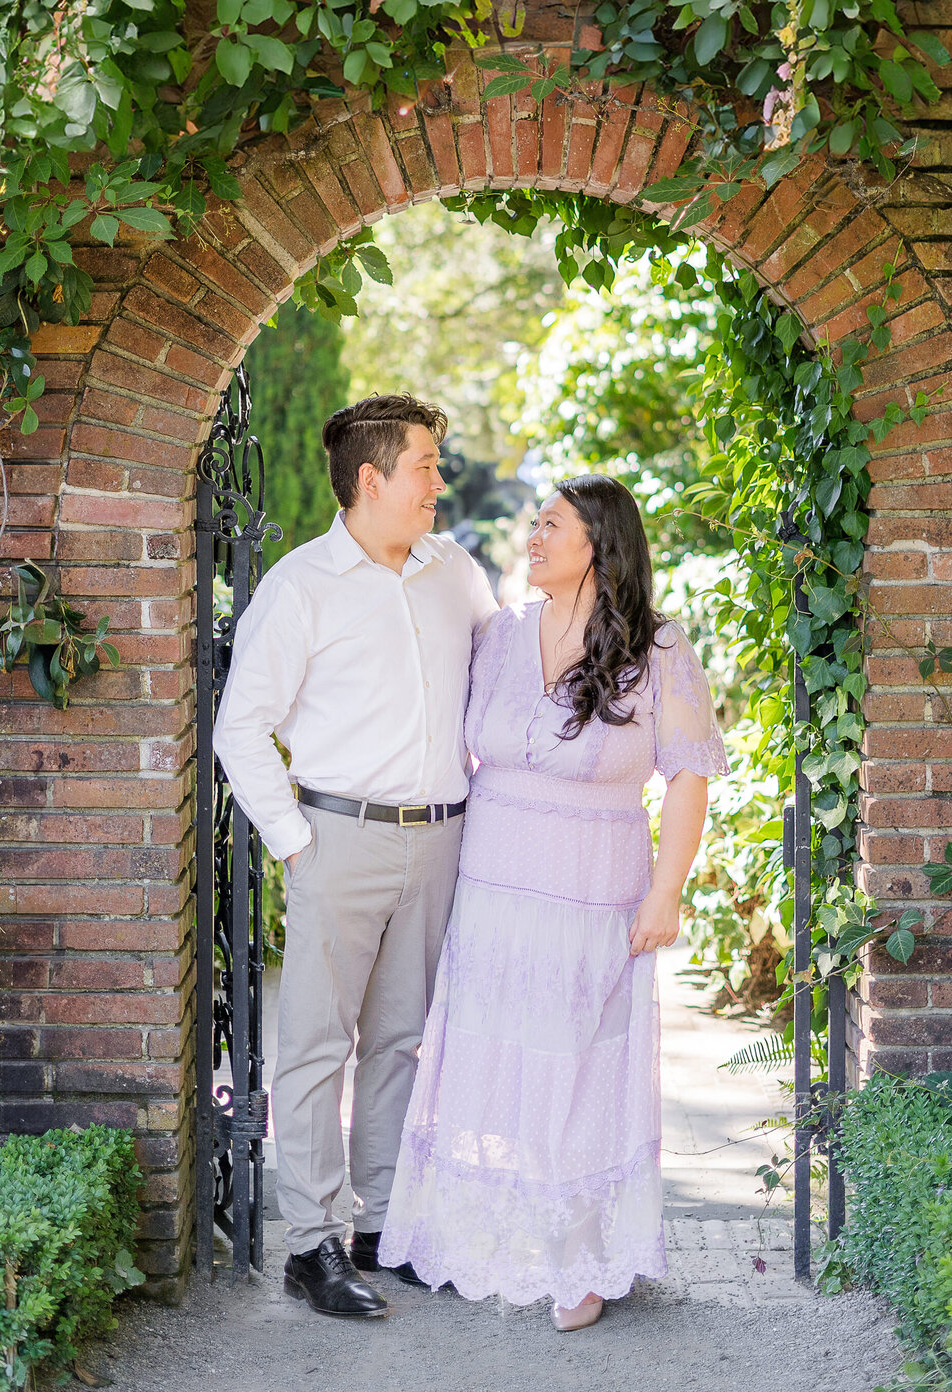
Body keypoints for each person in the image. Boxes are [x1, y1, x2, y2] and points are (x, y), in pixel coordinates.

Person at [380, 474, 727, 1329]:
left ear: (600, 545)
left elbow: (688, 776)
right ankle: (480, 1240)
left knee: (578, 1072)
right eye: (534, 524)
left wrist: (666, 892)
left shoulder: (658, 648)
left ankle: (580, 1259)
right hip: (492, 894)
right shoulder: (500, 634)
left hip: (593, 897)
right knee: (492, 1063)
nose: (533, 538)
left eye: (551, 525)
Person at [212, 393, 498, 1319]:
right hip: (338, 837)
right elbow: (240, 727)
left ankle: (381, 1229)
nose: (438, 483)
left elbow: (502, 678)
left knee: (402, 1042)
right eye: (425, 467)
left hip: (442, 836)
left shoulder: (456, 573)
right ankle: (313, 1245)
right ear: (372, 480)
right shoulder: (301, 585)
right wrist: (299, 844)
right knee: (316, 1047)